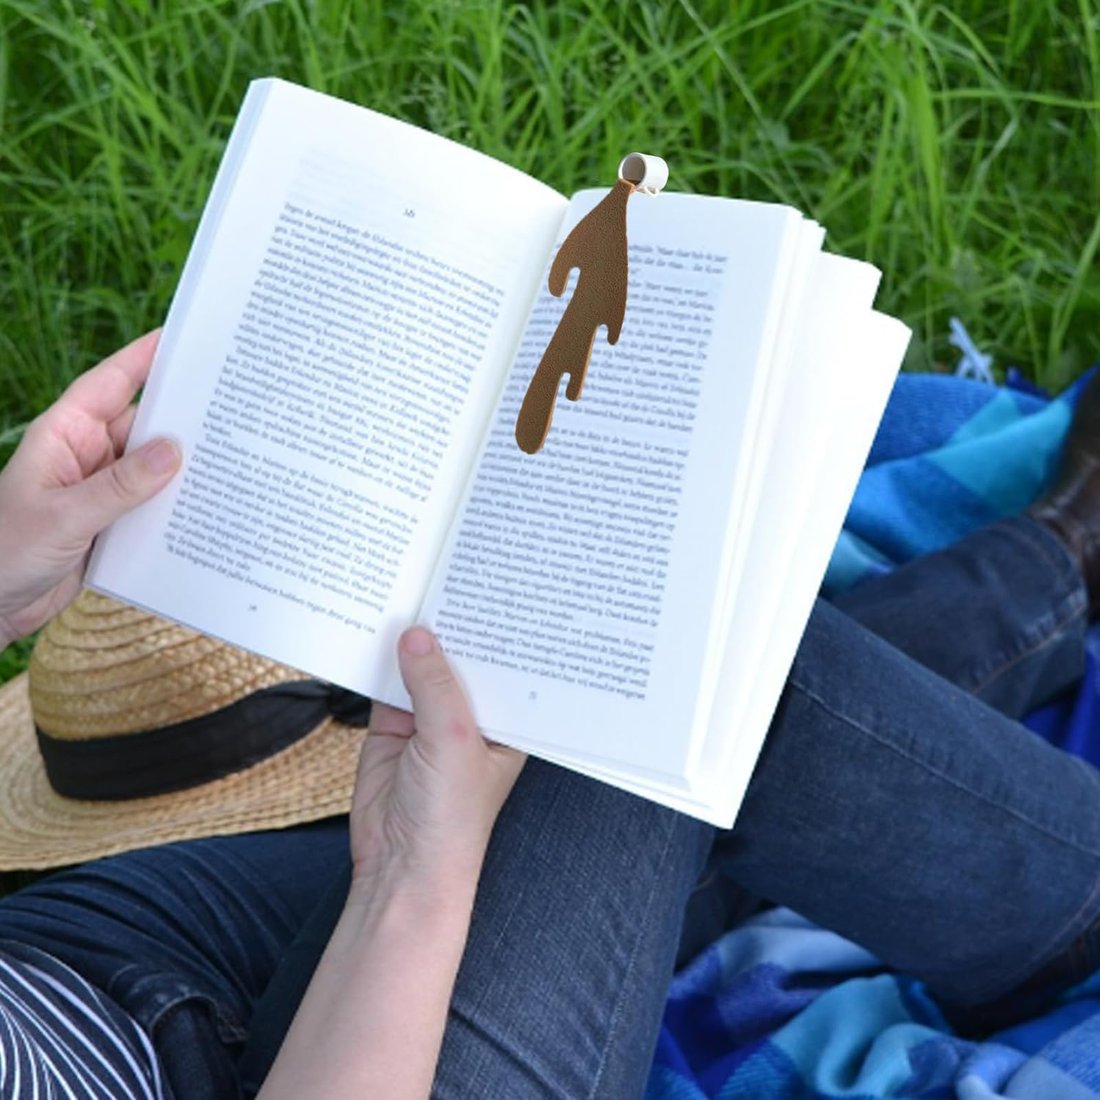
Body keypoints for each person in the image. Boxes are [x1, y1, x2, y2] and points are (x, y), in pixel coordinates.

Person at [1, 330, 1100, 1098]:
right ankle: (1056, 644)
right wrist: (411, 883)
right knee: (608, 663)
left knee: (606, 732)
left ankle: (1048, 614)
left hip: (74, 968)